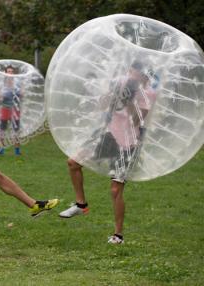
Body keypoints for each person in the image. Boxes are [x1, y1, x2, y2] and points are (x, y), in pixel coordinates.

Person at [59, 60, 157, 244]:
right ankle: (81, 204)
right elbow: (101, 106)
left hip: (129, 143)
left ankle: (118, 235)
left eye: (136, 74)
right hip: (108, 135)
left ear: (144, 76)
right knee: (73, 162)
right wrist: (112, 96)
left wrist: (128, 101)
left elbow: (137, 121)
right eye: (131, 72)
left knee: (115, 190)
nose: (132, 77)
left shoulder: (148, 93)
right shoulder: (120, 84)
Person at [0, 66, 22, 155]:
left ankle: (17, 151)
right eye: (8, 71)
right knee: (2, 130)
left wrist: (19, 92)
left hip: (15, 110)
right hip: (5, 109)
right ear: (5, 73)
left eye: (11, 71)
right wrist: (0, 97)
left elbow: (22, 95)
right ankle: (1, 149)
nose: (10, 73)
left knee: (16, 130)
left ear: (13, 73)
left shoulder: (18, 84)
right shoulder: (2, 84)